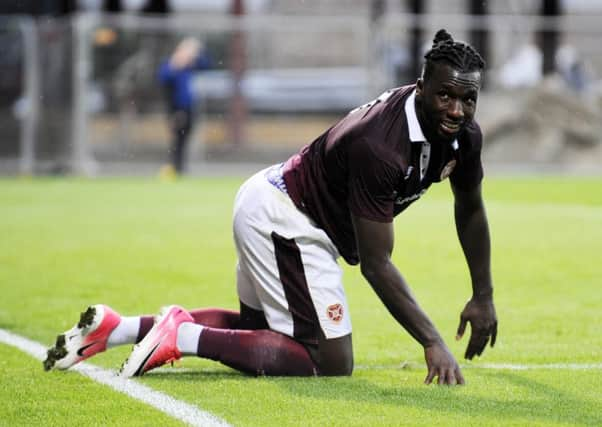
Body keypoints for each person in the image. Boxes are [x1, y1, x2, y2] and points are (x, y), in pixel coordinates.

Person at [44, 29, 497, 385]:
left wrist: (483, 295)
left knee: (255, 327)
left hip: (275, 199)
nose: (457, 109)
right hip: (288, 218)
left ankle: (118, 328)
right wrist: (432, 340)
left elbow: (471, 208)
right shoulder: (382, 145)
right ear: (421, 87)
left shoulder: (463, 135)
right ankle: (180, 335)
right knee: (328, 359)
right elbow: (376, 264)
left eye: (468, 99)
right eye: (446, 96)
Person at [158, 37, 212, 176]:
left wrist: (196, 54)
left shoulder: (191, 66)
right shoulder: (171, 65)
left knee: (184, 137)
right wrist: (175, 65)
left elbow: (207, 64)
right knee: (177, 139)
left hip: (189, 108)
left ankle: (179, 167)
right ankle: (174, 166)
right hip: (176, 109)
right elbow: (163, 79)